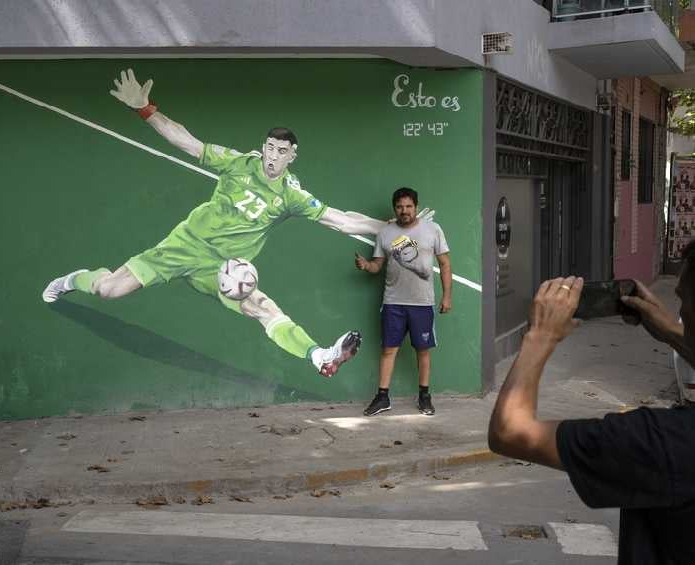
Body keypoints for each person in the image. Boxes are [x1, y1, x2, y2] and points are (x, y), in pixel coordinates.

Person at [42, 69, 431, 377]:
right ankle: (74, 279)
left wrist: (389, 226)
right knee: (109, 290)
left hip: (226, 269)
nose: (274, 156)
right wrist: (146, 109)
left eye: (282, 152)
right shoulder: (237, 163)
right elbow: (187, 142)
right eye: (270, 148)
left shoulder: (291, 195)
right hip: (184, 247)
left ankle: (317, 354)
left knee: (262, 307)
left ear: (293, 156)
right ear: (263, 148)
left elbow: (342, 221)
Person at [488, 241, 695, 564]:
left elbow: (511, 432)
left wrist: (539, 337)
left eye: (684, 302)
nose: (679, 313)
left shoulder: (664, 440)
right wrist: (669, 332)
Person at [355, 187, 452, 416]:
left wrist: (447, 296)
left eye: (408, 206)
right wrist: (366, 266)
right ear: (394, 208)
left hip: (422, 303)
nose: (404, 211)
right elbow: (377, 265)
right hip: (393, 302)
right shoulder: (386, 232)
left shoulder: (433, 229)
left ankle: (424, 397)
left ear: (415, 207)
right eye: (399, 207)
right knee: (389, 350)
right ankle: (382, 397)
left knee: (423, 351)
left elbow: (446, 264)